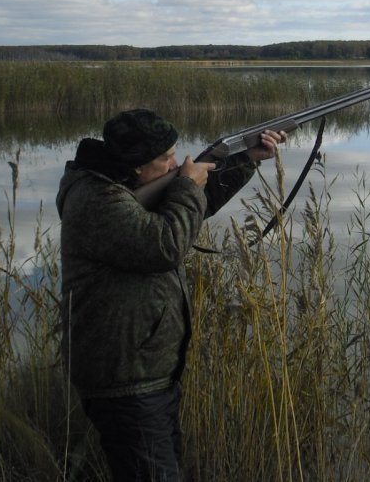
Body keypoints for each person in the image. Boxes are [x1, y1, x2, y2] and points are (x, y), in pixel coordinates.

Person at [56, 107, 286, 481]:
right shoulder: (98, 201)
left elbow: (192, 209)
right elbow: (166, 245)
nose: (176, 164)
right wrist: (186, 185)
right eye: (165, 159)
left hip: (148, 372)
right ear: (134, 167)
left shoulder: (119, 187)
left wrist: (246, 159)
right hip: (125, 381)